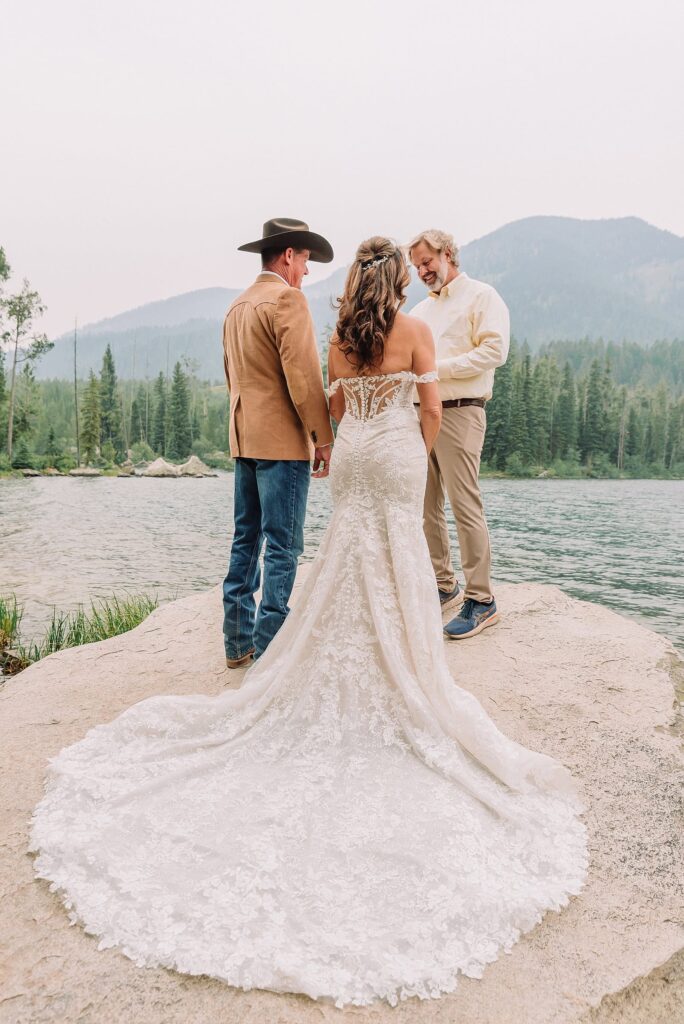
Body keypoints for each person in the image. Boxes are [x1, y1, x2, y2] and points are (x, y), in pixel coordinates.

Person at [30, 237, 586, 1009]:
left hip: (351, 457)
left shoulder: (340, 338)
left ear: (353, 281)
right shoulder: (418, 331)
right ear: (397, 282)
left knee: (343, 557)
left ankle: (289, 651)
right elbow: (430, 408)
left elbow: (328, 404)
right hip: (390, 457)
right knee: (396, 561)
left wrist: (350, 443)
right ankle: (411, 665)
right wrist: (408, 450)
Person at [222, 218, 335, 667]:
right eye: (306, 259)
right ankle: (270, 649)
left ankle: (237, 643)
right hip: (283, 445)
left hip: (243, 438)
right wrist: (322, 438)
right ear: (289, 254)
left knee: (245, 539)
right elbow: (304, 378)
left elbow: (232, 376)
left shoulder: (236, 306)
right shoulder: (288, 299)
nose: (306, 271)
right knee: (284, 545)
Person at [408, 228, 509, 639]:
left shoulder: (482, 297)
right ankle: (443, 582)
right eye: (416, 266)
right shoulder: (416, 313)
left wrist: (434, 369)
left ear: (448, 253)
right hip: (418, 413)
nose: (422, 271)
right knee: (425, 503)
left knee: (464, 504)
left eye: (427, 261)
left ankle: (482, 600)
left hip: (461, 412)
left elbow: (494, 352)